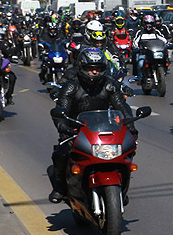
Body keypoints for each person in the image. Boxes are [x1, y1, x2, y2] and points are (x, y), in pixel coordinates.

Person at [48, 47, 136, 203]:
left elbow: (122, 106)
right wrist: (63, 127)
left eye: (98, 69)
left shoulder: (109, 85)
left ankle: (122, 187)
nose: (95, 72)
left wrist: (130, 125)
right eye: (90, 69)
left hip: (104, 130)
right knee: (61, 155)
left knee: (127, 153)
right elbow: (60, 108)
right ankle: (60, 188)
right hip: (76, 130)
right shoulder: (71, 86)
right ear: (82, 68)